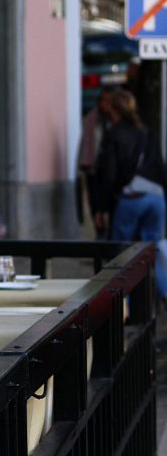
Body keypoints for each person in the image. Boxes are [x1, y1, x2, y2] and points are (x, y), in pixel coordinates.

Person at [95, 89, 167, 301]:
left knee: (122, 254)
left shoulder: (113, 134)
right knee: (151, 251)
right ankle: (163, 294)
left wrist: (102, 207)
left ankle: (123, 305)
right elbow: (160, 167)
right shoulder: (148, 133)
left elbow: (109, 174)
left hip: (131, 197)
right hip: (156, 197)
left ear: (114, 111)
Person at [77, 87, 114, 238]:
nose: (104, 104)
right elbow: (85, 144)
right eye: (102, 100)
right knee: (95, 204)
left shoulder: (116, 122)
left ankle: (107, 234)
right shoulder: (91, 119)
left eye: (108, 101)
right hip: (94, 169)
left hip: (111, 171)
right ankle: (100, 234)